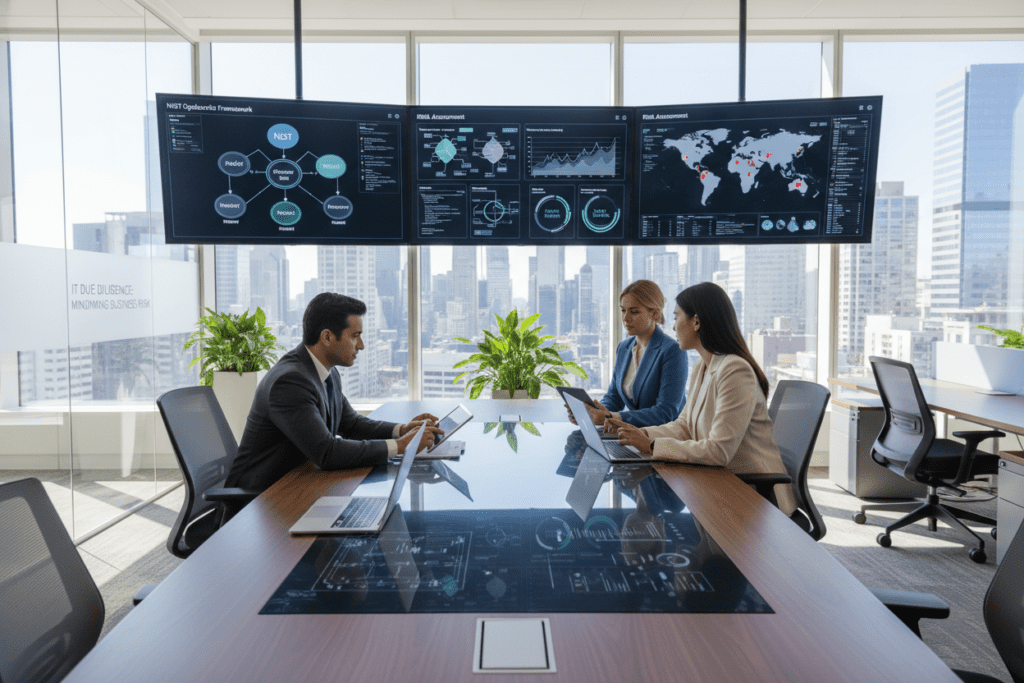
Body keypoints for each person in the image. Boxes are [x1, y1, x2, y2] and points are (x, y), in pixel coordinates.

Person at [606, 281, 796, 515]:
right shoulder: (703, 367)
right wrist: (641, 435)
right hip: (716, 482)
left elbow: (718, 451)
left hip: (752, 496)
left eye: (676, 317)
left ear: (696, 322)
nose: (673, 327)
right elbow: (684, 426)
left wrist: (653, 445)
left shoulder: (735, 370)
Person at [225, 293, 440, 493]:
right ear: (327, 337)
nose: (361, 346)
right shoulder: (290, 382)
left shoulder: (327, 372)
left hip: (299, 485)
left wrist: (401, 430)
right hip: (260, 501)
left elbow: (351, 424)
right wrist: (401, 446)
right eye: (355, 336)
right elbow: (326, 453)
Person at [569, 279, 687, 428]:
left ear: (655, 313)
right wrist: (592, 412)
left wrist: (612, 417)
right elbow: (614, 398)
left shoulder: (672, 351)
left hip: (667, 439)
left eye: (634, 311)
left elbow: (665, 412)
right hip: (637, 435)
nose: (625, 318)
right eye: (623, 310)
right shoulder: (624, 348)